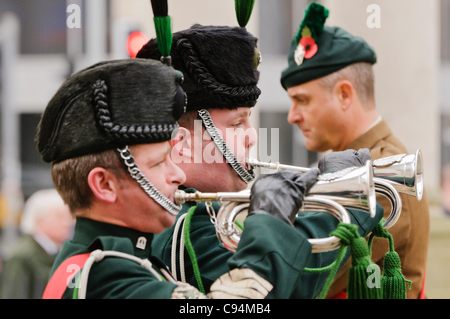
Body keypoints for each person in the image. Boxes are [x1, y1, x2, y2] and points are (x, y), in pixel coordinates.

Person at [36, 57, 324, 299]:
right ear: (104, 185)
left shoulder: (113, 260)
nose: (178, 173)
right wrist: (271, 223)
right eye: (160, 162)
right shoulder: (107, 274)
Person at [137, 24, 384, 299]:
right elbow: (280, 292)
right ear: (181, 144)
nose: (252, 136)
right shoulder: (191, 226)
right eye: (237, 123)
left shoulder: (199, 211)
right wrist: (339, 203)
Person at [280, 2, 430, 299]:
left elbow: (302, 278)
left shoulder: (381, 171)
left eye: (303, 100)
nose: (292, 115)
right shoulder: (357, 163)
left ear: (344, 94)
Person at [0, 189, 73, 299]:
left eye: (69, 216)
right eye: (60, 216)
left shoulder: (59, 252)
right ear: (39, 220)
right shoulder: (22, 256)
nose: (68, 223)